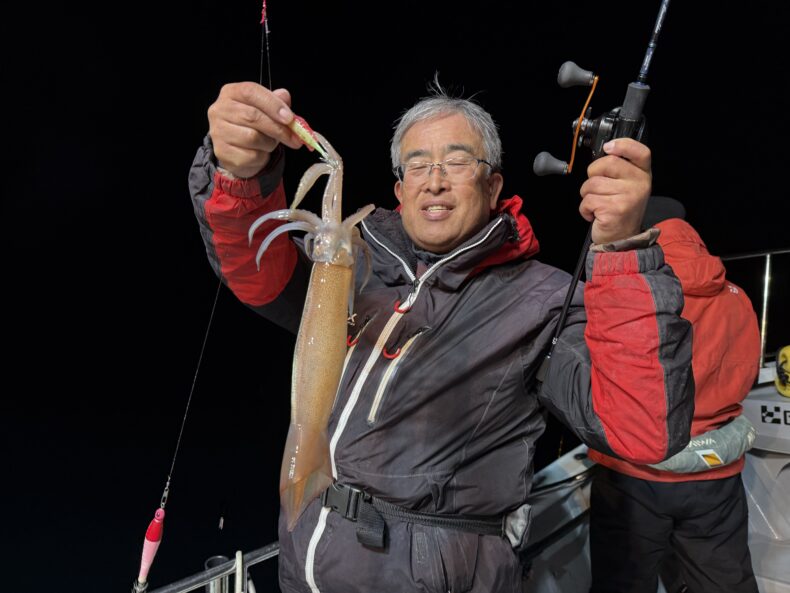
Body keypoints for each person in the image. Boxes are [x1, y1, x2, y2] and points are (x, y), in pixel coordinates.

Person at [188, 80, 694, 593]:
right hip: (308, 565)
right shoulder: (355, 266)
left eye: (457, 162)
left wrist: (623, 248)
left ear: (493, 187)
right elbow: (256, 274)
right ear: (399, 191)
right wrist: (239, 174)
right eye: (417, 165)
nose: (434, 181)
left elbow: (644, 426)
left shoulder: (543, 301)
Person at [588, 196, 761, 593]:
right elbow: (746, 376)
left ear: (640, 232)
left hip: (635, 479)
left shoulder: (629, 296)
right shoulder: (735, 295)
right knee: (725, 582)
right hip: (714, 475)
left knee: (623, 584)